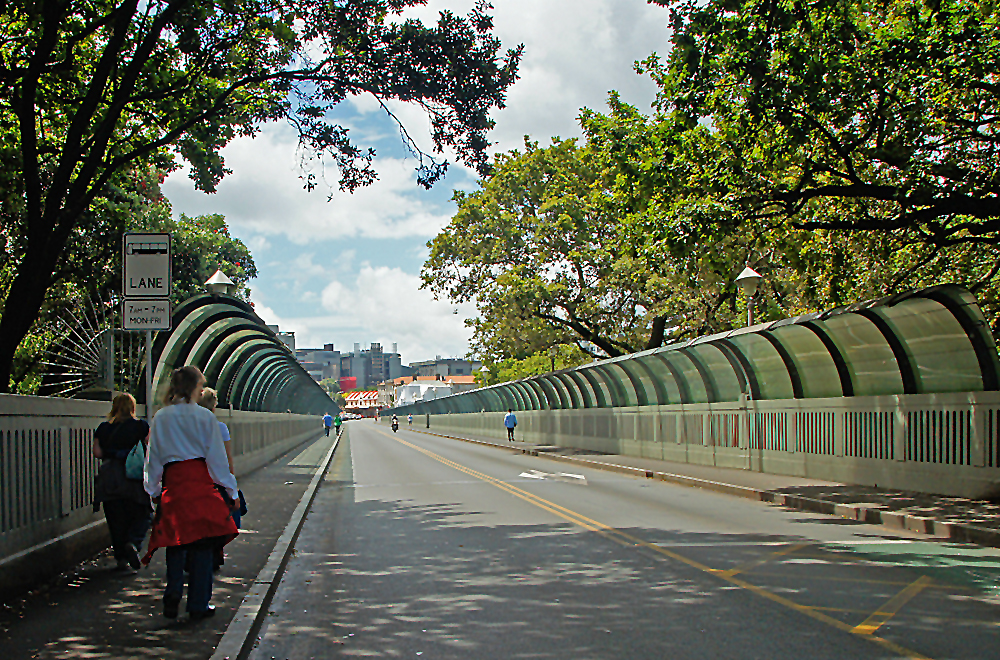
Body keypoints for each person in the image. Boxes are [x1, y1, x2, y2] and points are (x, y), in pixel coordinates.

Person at [143, 366, 239, 621]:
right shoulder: (205, 418)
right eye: (200, 387)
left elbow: (154, 458)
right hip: (200, 484)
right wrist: (231, 489)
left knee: (176, 541)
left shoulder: (161, 418)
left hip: (173, 485)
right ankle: (198, 603)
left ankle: (173, 591)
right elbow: (217, 460)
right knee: (202, 545)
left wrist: (152, 489)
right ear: (194, 388)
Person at [92, 393, 152, 571]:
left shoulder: (103, 428)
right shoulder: (141, 426)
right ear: (133, 407)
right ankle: (133, 542)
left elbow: (97, 453)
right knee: (142, 513)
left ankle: (121, 558)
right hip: (134, 476)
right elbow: (149, 448)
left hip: (111, 476)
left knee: (116, 518)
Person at [198, 388, 247, 528]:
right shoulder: (220, 428)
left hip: (194, 482)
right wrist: (233, 489)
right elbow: (227, 460)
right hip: (216, 484)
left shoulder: (187, 428)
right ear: (214, 406)